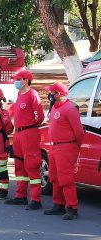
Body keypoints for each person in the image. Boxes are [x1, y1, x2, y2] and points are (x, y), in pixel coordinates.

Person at [43, 83, 84, 220]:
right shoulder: (55, 107)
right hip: (54, 147)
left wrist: (74, 146)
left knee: (66, 179)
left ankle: (72, 208)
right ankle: (58, 204)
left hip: (66, 147)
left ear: (59, 94)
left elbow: (79, 132)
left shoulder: (70, 109)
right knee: (54, 177)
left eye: (52, 92)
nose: (50, 95)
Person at [6, 70, 45, 210]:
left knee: (32, 165)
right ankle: (20, 195)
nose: (15, 82)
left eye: (17, 79)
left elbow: (40, 116)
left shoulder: (32, 94)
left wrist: (31, 125)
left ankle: (36, 199)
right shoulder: (19, 94)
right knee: (19, 165)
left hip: (29, 133)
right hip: (19, 134)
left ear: (25, 80)